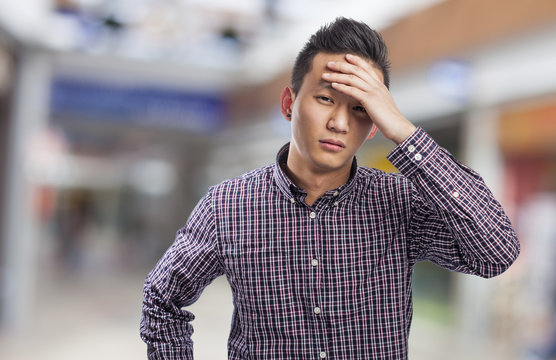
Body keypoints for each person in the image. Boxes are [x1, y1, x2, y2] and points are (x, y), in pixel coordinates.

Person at [140, 17, 520, 359]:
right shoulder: (227, 206)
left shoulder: (399, 201)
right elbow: (162, 300)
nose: (339, 122)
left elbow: (495, 254)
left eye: (360, 109)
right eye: (325, 99)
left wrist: (403, 131)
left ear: (373, 124)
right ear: (289, 103)